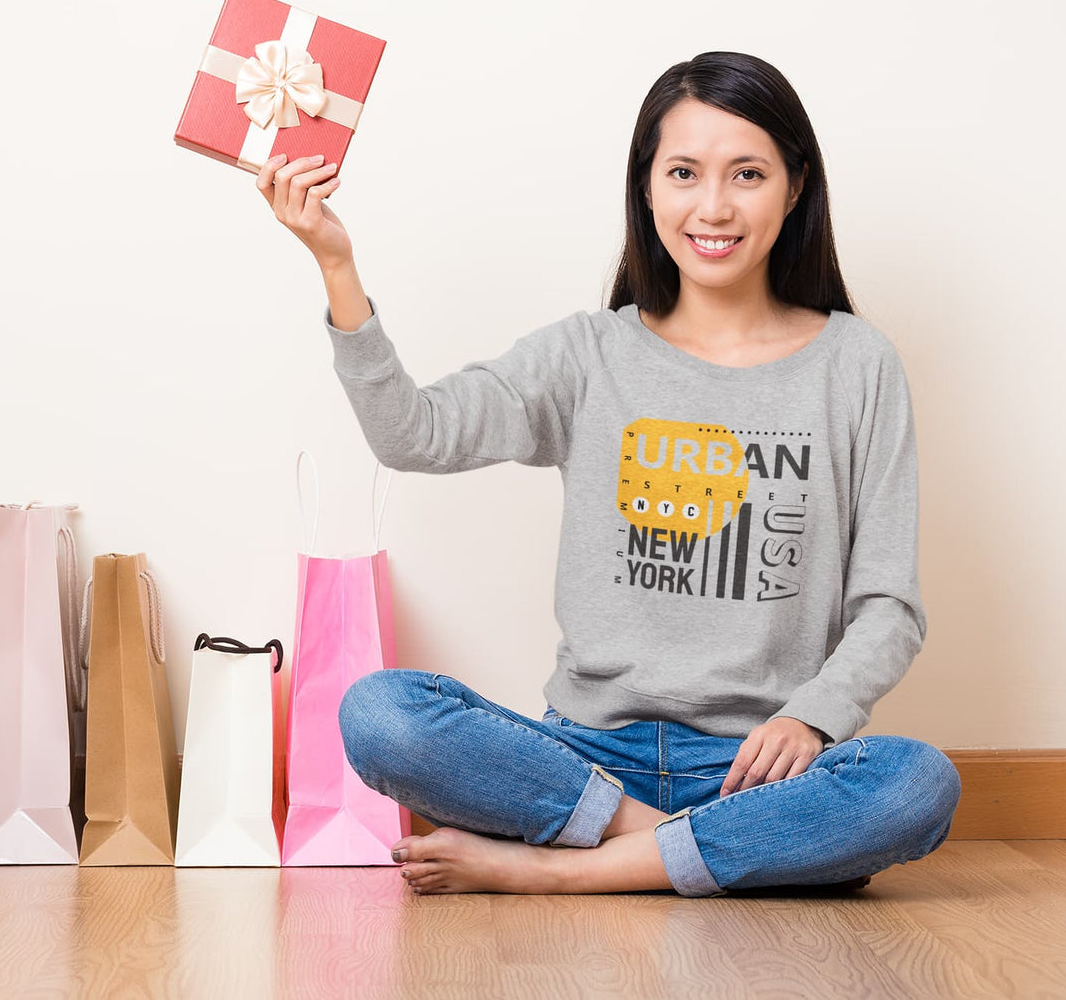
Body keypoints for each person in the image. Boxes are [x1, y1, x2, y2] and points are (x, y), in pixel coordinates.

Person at [255, 51, 961, 897]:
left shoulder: (857, 364)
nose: (714, 206)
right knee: (379, 713)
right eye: (684, 173)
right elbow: (417, 435)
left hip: (760, 765)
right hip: (585, 758)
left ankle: (558, 871)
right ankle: (688, 850)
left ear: (796, 185)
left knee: (919, 783)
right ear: (648, 188)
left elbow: (888, 605)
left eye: (747, 174)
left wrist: (812, 715)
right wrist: (337, 265)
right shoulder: (589, 355)